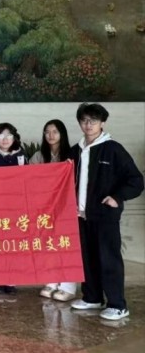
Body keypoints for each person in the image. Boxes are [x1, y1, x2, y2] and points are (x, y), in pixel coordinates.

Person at [69, 103, 143, 321]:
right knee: (87, 259)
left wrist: (117, 198)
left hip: (105, 216)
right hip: (81, 216)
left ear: (103, 123)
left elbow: (136, 180)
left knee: (108, 259)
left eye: (93, 120)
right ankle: (92, 297)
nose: (88, 125)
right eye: (84, 120)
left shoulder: (113, 149)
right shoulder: (75, 151)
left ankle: (117, 305)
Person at [31, 120, 77, 303]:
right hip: (45, 207)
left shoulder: (72, 154)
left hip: (66, 207)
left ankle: (67, 286)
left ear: (62, 134)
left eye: (55, 131)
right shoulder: (38, 156)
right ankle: (50, 281)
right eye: (47, 132)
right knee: (48, 244)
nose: (50, 135)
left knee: (66, 245)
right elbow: (30, 179)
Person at [0, 122, 27, 297]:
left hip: (16, 207)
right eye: (1, 135)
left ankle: (11, 279)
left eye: (9, 135)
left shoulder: (21, 155)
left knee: (13, 244)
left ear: (14, 138)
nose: (5, 139)